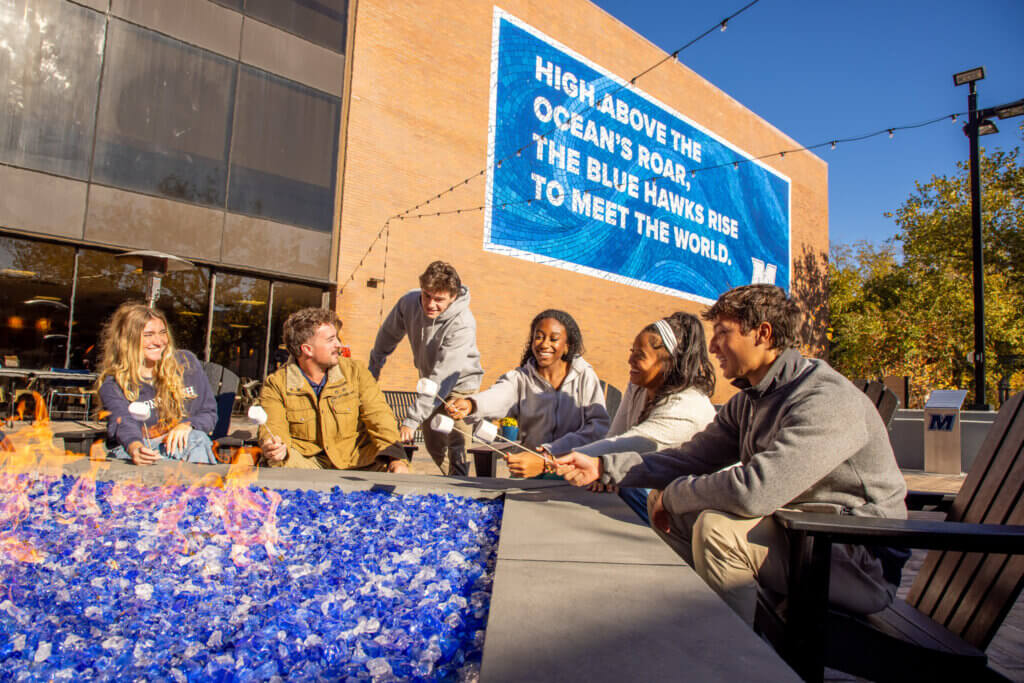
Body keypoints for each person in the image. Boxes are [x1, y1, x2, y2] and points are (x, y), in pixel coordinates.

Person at [556, 284, 909, 625]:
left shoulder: (824, 399)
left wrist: (674, 494)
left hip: (858, 559)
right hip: (802, 537)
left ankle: (735, 662)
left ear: (763, 333)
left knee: (717, 529)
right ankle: (700, 626)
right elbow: (689, 458)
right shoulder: (750, 401)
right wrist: (604, 467)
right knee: (676, 513)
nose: (712, 346)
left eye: (723, 332)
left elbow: (755, 490)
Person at [577, 312, 717, 523]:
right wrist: (606, 468)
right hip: (657, 486)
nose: (630, 359)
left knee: (628, 486)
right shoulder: (639, 386)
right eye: (632, 351)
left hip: (696, 510)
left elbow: (626, 444)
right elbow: (615, 438)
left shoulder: (686, 409)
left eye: (640, 355)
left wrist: (549, 461)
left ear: (669, 362)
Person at [446, 309, 609, 477]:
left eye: (554, 339)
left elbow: (598, 427)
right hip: (529, 471)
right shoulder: (520, 378)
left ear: (567, 346)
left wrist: (551, 454)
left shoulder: (585, 376)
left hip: (573, 474)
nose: (544, 344)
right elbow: (499, 395)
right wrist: (471, 404)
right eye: (538, 337)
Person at [259, 308, 408, 472]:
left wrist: (396, 458)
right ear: (307, 349)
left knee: (397, 473)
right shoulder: (276, 384)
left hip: (359, 460)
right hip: (308, 463)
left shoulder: (355, 371)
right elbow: (273, 425)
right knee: (275, 465)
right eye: (331, 340)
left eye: (337, 338)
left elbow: (379, 416)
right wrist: (275, 447)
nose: (338, 344)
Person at [369, 262, 483, 476]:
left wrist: (411, 420)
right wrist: (374, 369)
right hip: (430, 384)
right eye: (426, 295)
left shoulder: (463, 324)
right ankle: (451, 480)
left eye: (439, 299)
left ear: (453, 296)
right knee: (434, 444)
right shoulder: (409, 302)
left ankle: (458, 489)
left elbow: (443, 376)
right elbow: (388, 334)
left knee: (456, 445)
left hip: (460, 385)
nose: (430, 304)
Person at [97, 303, 217, 465]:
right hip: (136, 452)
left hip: (185, 445)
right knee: (196, 442)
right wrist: (136, 447)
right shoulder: (115, 383)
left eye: (162, 333)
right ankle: (196, 489)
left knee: (196, 438)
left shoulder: (186, 364)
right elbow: (122, 422)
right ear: (128, 340)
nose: (159, 341)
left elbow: (209, 413)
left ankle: (192, 488)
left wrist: (188, 425)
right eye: (148, 334)